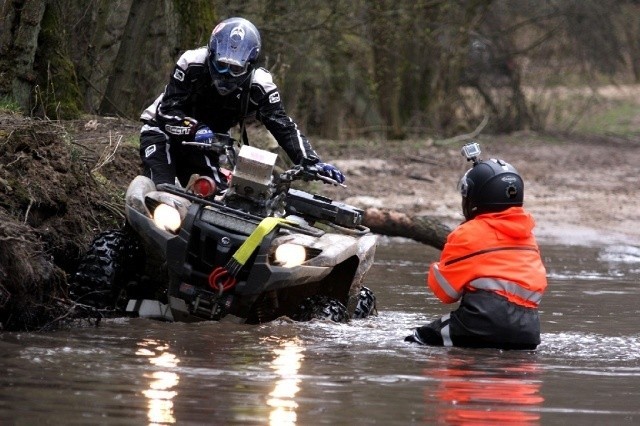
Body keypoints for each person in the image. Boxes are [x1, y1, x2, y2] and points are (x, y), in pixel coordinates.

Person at [138, 17, 344, 189]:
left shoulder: (260, 86)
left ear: (250, 64)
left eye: (235, 69)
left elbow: (284, 127)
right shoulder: (191, 63)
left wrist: (311, 161)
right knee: (161, 190)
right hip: (161, 131)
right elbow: (167, 111)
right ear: (211, 55)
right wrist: (195, 128)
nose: (226, 74)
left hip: (207, 144)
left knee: (215, 197)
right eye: (220, 65)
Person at [405, 143, 547, 350]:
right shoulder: (528, 238)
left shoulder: (467, 233)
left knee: (417, 340)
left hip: (479, 323)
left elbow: (446, 293)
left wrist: (438, 268)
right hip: (528, 331)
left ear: (473, 196)